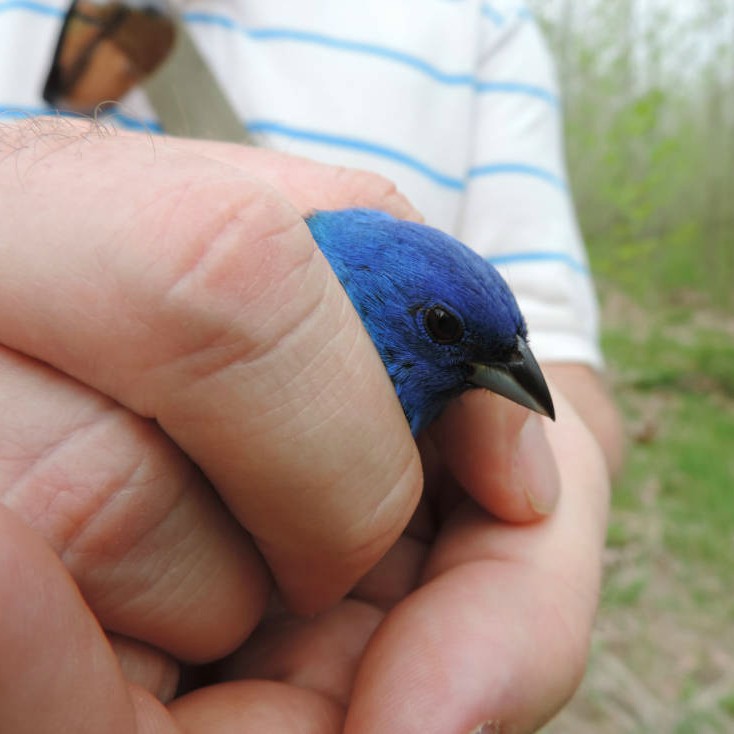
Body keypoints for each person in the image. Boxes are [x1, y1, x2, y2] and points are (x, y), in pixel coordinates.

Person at [0, 1, 624, 732]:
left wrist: (553, 480)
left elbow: (567, 365)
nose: (513, 378)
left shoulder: (484, 26)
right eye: (444, 331)